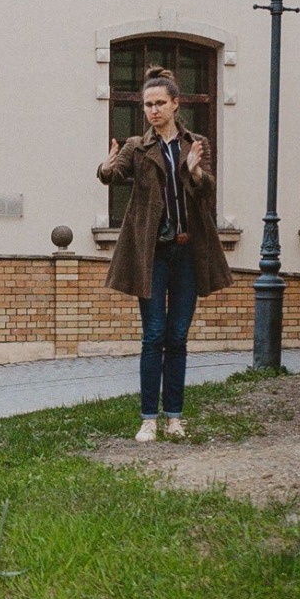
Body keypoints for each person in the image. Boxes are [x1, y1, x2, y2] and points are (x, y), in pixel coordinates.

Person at [97, 66, 232, 441]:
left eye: (159, 103)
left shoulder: (196, 144)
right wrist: (105, 169)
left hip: (188, 253)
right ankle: (147, 419)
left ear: (175, 104)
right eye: (147, 105)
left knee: (177, 336)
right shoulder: (137, 148)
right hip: (151, 254)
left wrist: (195, 173)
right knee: (153, 334)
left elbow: (207, 191)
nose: (153, 110)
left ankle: (174, 417)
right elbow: (115, 173)